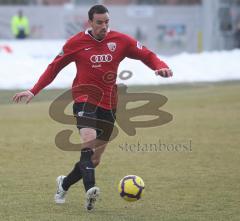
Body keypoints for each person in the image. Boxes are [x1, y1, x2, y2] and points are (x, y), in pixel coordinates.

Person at [12, 5, 173, 211]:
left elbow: (147, 54)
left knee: (95, 159)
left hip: (110, 103)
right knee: (87, 142)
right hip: (84, 99)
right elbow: (54, 67)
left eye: (107, 22)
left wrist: (159, 66)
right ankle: (91, 190)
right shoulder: (75, 43)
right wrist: (33, 91)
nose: (104, 26)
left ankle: (64, 184)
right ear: (90, 22)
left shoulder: (121, 41)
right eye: (99, 22)